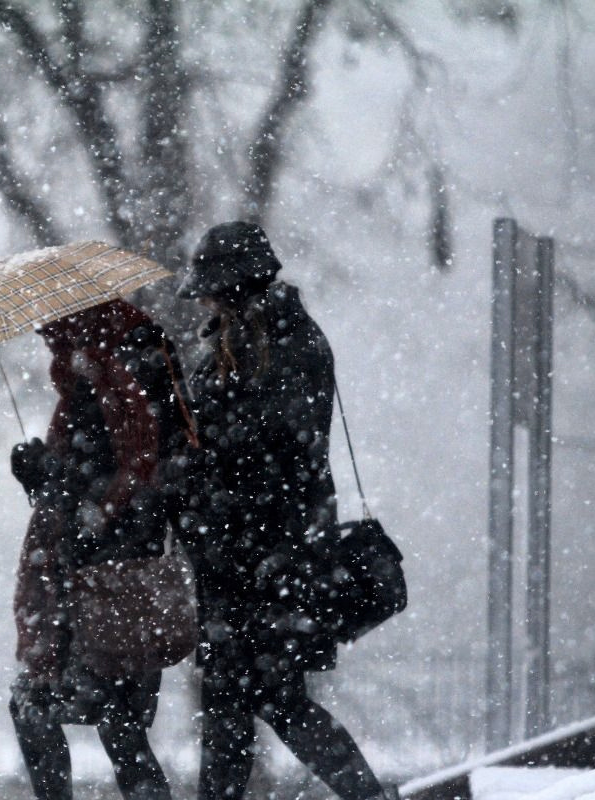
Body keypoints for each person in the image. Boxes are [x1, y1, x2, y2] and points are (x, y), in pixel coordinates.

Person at [176, 221, 396, 800]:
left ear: (237, 288)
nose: (203, 302)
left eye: (213, 291)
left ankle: (369, 797)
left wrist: (206, 447)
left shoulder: (292, 346)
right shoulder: (230, 350)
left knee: (272, 700)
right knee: (235, 707)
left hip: (274, 558)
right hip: (233, 562)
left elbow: (279, 451)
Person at [8, 298, 190, 800]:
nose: (47, 339)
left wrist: (60, 483)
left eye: (53, 329)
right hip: (117, 578)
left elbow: (126, 476)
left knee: (58, 710)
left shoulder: (112, 374)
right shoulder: (108, 370)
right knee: (116, 724)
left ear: (77, 320)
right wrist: (41, 471)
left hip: (104, 582)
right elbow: (102, 474)